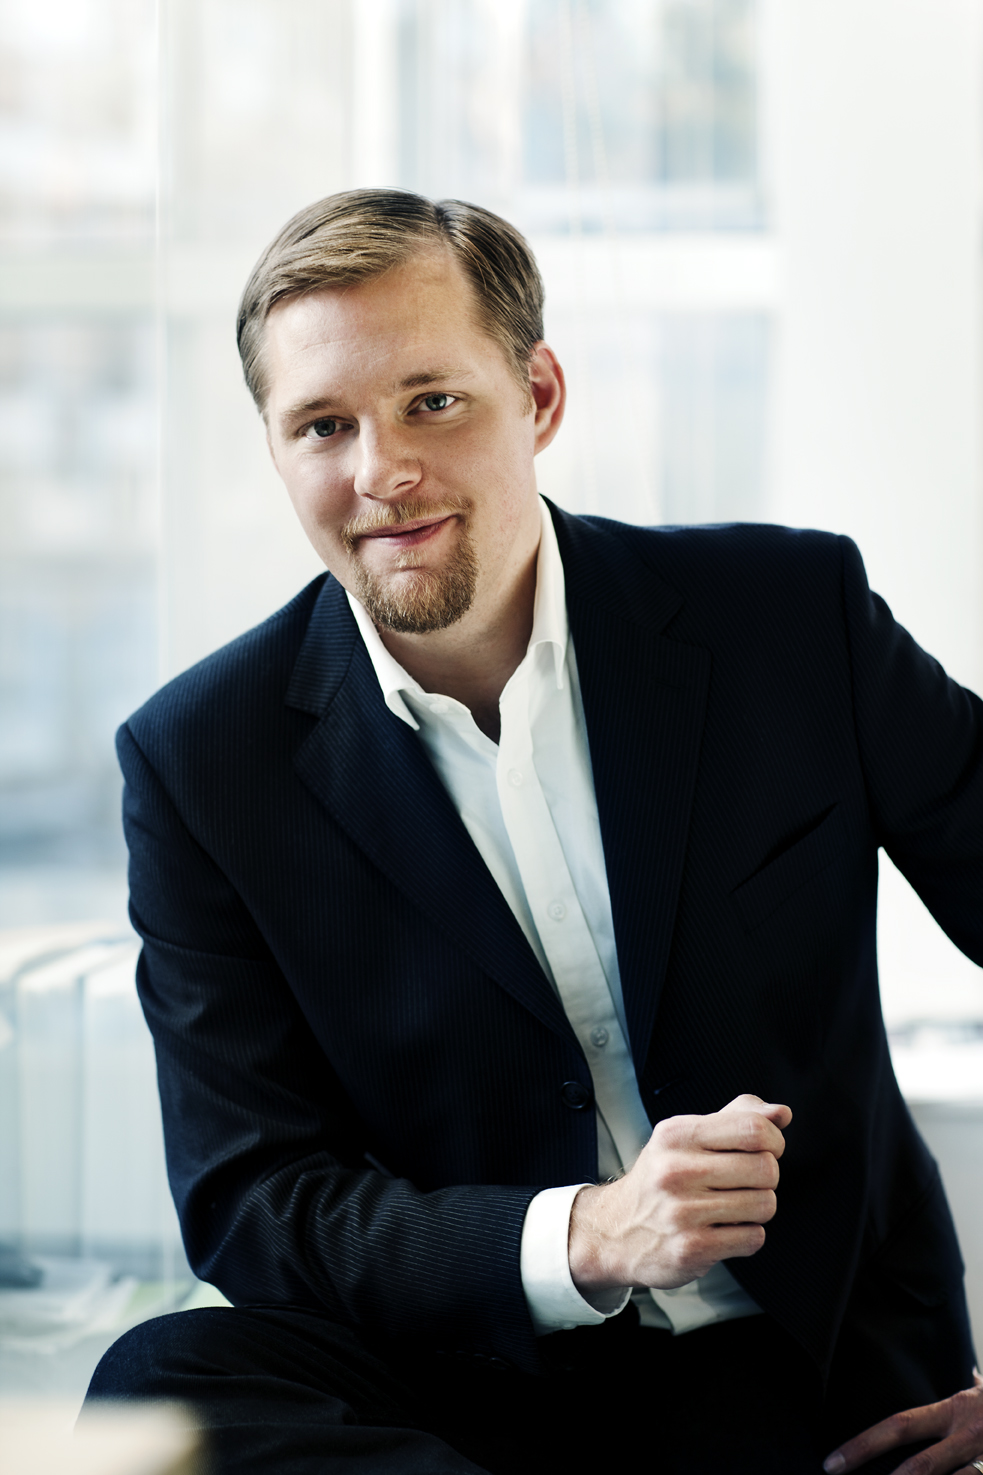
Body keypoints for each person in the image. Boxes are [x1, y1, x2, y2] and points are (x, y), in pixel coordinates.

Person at [85, 190, 983, 1475]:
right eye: (323, 425)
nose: (379, 470)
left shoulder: (788, 617)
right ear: (275, 449)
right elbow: (257, 1201)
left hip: (814, 1372)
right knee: (157, 1382)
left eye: (430, 400)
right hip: (475, 1385)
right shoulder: (197, 760)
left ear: (539, 397)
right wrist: (586, 1234)